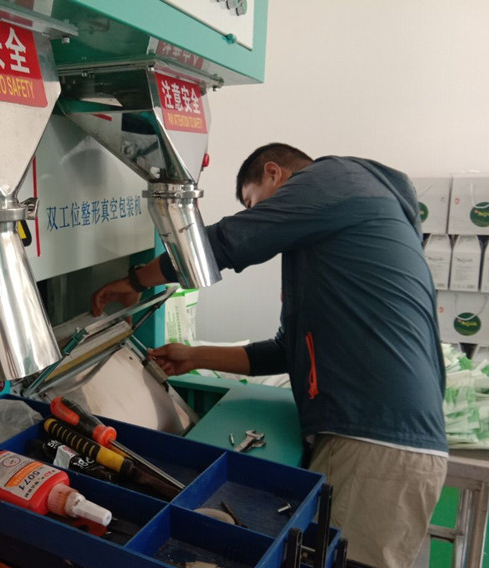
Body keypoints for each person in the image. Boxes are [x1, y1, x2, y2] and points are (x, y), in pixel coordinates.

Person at [91, 143, 448, 568]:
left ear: (274, 173)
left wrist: (137, 280)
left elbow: (228, 241)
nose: (258, 215)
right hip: (374, 436)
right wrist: (195, 356)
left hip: (377, 439)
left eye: (253, 203)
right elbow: (284, 350)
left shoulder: (332, 180)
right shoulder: (333, 229)